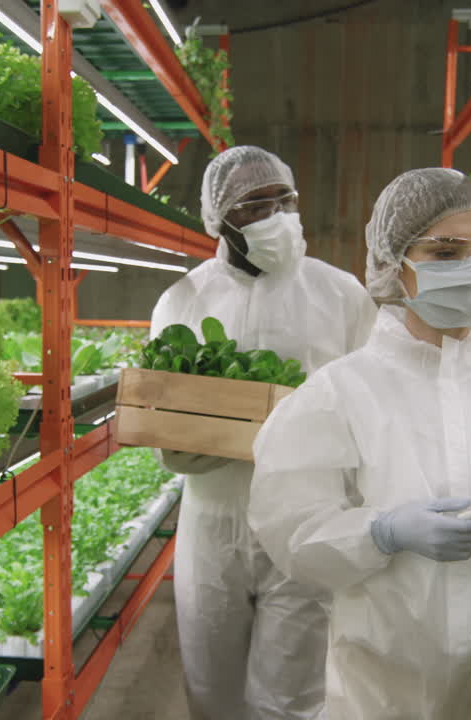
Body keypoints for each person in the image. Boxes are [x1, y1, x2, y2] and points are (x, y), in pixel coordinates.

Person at [247, 168, 471, 720]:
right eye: (445, 252)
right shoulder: (336, 394)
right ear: (394, 264)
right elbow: (292, 534)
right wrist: (381, 533)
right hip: (385, 676)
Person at [151, 145, 377, 720]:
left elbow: (376, 406)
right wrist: (176, 446)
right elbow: (163, 405)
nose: (276, 216)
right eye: (255, 205)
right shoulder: (182, 301)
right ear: (220, 219)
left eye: (286, 200)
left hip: (308, 518)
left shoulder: (342, 294)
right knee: (211, 685)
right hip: (213, 518)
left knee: (294, 696)